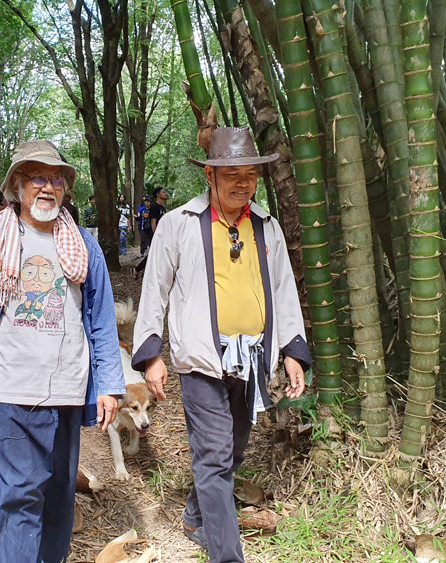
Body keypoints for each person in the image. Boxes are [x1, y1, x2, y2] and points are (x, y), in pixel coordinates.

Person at [0, 139, 124, 563]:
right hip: (15, 386)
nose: (47, 187)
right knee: (19, 495)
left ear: (65, 189)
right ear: (17, 185)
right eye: (37, 177)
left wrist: (108, 383)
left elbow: (102, 318)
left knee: (59, 496)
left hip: (69, 386)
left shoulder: (83, 245)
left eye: (56, 179)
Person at [131, 128, 310, 563]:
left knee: (232, 448)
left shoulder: (265, 226)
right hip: (201, 360)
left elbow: (283, 290)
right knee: (213, 455)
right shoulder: (179, 224)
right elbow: (154, 290)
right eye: (231, 173)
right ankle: (227, 556)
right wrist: (151, 354)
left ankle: (195, 516)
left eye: (250, 174)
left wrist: (291, 350)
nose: (242, 182)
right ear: (209, 174)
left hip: (251, 360)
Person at [132, 187, 168, 278]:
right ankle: (138, 270)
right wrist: (156, 235)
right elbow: (153, 221)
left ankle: (142, 270)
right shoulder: (154, 207)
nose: (165, 193)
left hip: (161, 233)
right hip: (153, 233)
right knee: (154, 254)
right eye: (163, 192)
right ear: (158, 195)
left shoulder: (162, 208)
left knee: (156, 254)